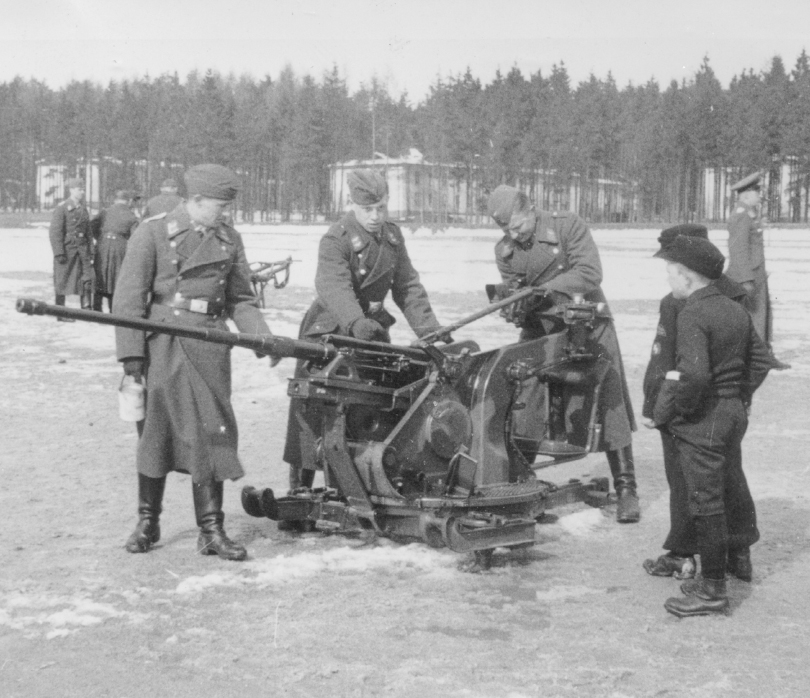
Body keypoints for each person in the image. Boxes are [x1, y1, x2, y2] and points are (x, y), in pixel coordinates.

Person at [114, 164, 273, 561]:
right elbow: (129, 299)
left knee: (211, 432)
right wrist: (132, 357)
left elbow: (241, 298)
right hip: (164, 344)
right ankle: (148, 522)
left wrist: (262, 338)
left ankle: (212, 530)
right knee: (156, 434)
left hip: (210, 345)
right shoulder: (152, 232)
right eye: (218, 206)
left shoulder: (228, 238)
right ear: (195, 200)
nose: (223, 213)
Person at [281, 169, 445, 515]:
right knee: (313, 413)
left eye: (381, 208)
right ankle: (300, 491)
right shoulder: (336, 239)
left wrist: (430, 332)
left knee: (364, 409)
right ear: (352, 204)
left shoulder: (393, 239)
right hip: (331, 329)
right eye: (368, 209)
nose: (375, 216)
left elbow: (407, 287)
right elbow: (333, 286)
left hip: (368, 333)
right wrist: (355, 321)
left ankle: (353, 487)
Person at [487, 185, 639, 523]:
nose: (514, 235)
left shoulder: (567, 226)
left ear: (531, 210)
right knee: (523, 398)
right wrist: (516, 307)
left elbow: (590, 272)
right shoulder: (506, 251)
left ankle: (627, 488)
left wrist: (544, 290)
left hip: (587, 323)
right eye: (507, 230)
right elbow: (515, 291)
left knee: (608, 401)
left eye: (518, 226)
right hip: (543, 329)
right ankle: (520, 485)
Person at [650, 236, 771, 617]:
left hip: (704, 419)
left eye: (671, 272)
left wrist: (681, 412)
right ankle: (717, 576)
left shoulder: (692, 313)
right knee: (719, 492)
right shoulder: (733, 307)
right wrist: (736, 393)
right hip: (733, 412)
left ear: (686, 276)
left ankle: (712, 590)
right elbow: (762, 360)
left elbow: (694, 375)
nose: (669, 279)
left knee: (706, 501)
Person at [726, 172, 790, 370]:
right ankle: (755, 359)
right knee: (752, 318)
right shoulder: (741, 215)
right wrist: (746, 278)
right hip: (747, 277)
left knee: (761, 317)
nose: (759, 196)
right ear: (745, 195)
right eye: (756, 192)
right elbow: (738, 249)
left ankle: (762, 355)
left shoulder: (749, 214)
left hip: (756, 275)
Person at [49, 177, 94, 318]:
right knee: (62, 279)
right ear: (72, 190)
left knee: (85, 278)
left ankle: (86, 309)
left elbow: (88, 233)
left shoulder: (83, 209)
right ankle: (60, 311)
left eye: (83, 189)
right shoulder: (62, 208)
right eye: (80, 189)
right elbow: (55, 232)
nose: (83, 192)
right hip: (67, 250)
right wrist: (59, 252)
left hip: (82, 250)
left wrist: (91, 252)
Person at [91, 190, 141, 312]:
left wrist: (101, 238)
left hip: (103, 245)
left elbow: (92, 226)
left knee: (100, 274)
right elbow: (135, 237)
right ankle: (113, 308)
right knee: (116, 276)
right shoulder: (132, 216)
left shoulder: (104, 212)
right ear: (129, 201)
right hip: (120, 246)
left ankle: (96, 308)